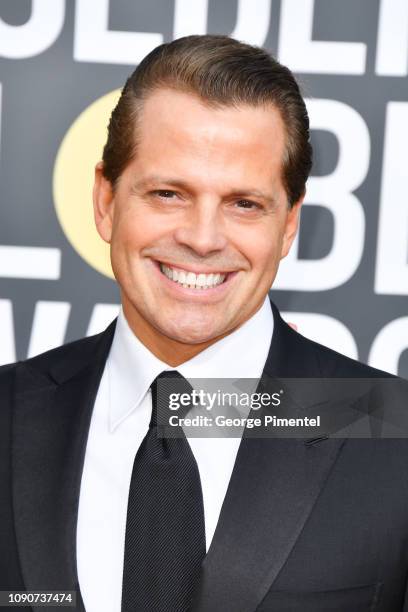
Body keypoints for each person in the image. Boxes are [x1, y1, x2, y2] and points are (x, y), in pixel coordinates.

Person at [1, 34, 408, 612]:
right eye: (168, 193)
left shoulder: (392, 429)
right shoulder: (8, 411)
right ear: (106, 202)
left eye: (244, 203)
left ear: (289, 224)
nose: (202, 237)